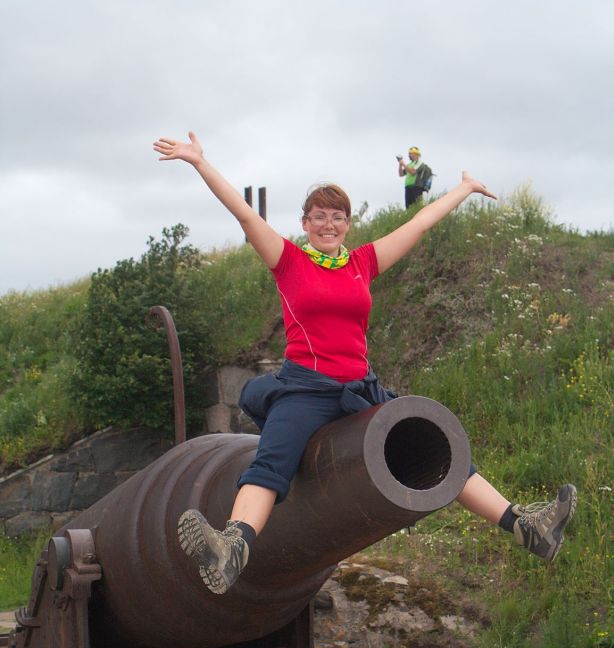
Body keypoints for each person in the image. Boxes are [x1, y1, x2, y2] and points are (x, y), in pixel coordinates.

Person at [153, 131, 577, 595]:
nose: (328, 224)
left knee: (433, 446)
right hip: (306, 388)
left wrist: (463, 189)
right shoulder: (288, 261)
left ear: (347, 224)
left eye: (337, 217)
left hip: (359, 388)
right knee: (271, 462)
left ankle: (525, 526)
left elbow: (418, 225)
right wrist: (200, 162)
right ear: (305, 222)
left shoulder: (362, 263)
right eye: (319, 216)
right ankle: (231, 547)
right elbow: (244, 213)